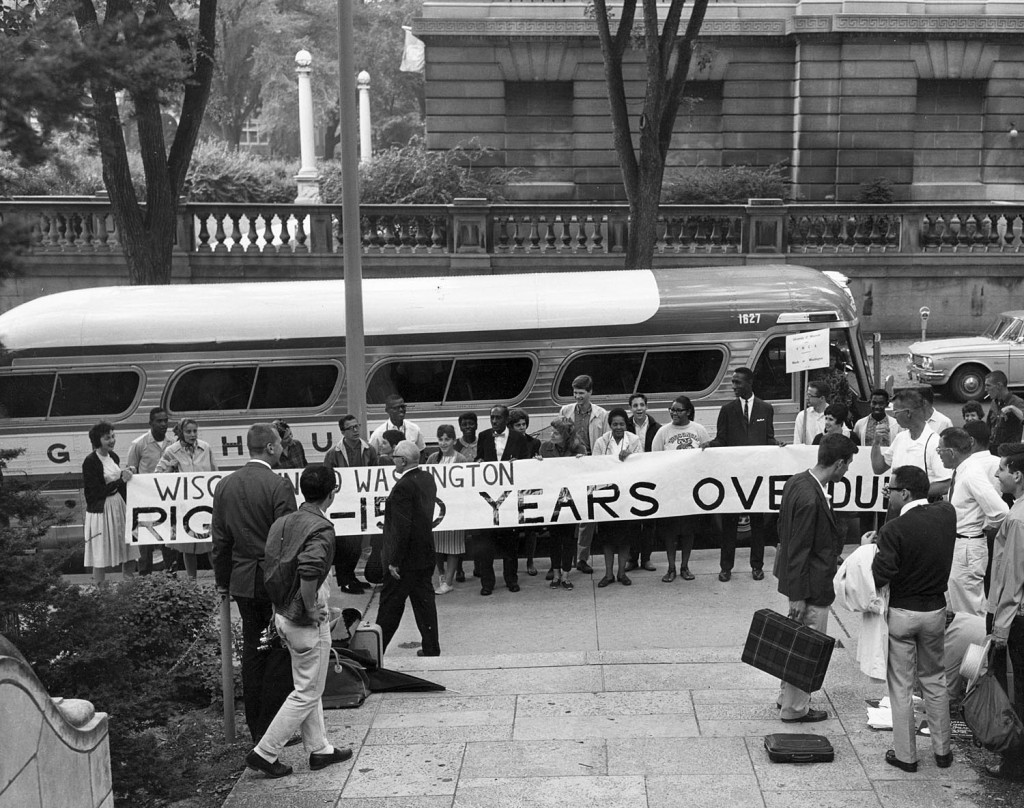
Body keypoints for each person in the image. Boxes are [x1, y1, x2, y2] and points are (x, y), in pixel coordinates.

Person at [245, 464, 353, 779]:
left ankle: (319, 750)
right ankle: (264, 752)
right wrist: (310, 608)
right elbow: (309, 570)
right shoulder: (321, 527)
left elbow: (274, 565)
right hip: (304, 618)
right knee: (306, 691)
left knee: (309, 684)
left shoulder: (283, 521)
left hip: (281, 613)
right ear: (332, 493)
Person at [211, 423, 297, 743]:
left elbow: (219, 541)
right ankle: (274, 730)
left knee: (252, 650)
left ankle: (255, 728)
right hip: (274, 582)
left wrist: (223, 581)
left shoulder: (225, 485)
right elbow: (287, 540)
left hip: (242, 581)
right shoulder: (279, 486)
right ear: (271, 448)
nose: (283, 449)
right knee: (279, 652)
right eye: (280, 444)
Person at [871, 465, 955, 773]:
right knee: (935, 680)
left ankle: (906, 756)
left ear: (904, 492)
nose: (888, 494)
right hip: (935, 610)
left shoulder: (894, 529)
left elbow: (882, 573)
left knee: (902, 687)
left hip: (903, 614)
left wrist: (875, 546)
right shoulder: (947, 514)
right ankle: (943, 751)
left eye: (891, 489)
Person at [774, 432, 858, 723]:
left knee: (795, 643)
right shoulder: (812, 497)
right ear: (837, 463)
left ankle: (787, 697)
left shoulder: (798, 481)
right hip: (811, 586)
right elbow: (799, 548)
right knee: (807, 648)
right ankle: (795, 708)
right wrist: (798, 595)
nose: (847, 470)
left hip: (801, 581)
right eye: (847, 465)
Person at [708, 366, 779, 582]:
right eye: (733, 382)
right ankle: (726, 567)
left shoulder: (766, 409)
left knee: (758, 523)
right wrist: (710, 444)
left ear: (750, 383)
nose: (734, 387)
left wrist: (777, 444)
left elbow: (768, 438)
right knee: (729, 524)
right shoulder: (727, 409)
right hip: (733, 476)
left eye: (738, 382)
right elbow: (722, 439)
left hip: (757, 476)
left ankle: (757, 566)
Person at [378, 440, 441, 657]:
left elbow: (402, 527)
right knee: (425, 604)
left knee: (389, 607)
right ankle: (432, 647)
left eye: (395, 456)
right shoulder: (427, 478)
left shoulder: (403, 486)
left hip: (405, 559)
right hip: (425, 553)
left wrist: (394, 560)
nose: (392, 459)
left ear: (403, 461)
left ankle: (375, 652)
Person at [984, 442, 1024, 782]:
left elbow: (1012, 579)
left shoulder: (1017, 518)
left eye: (1002, 469)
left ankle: (1014, 763)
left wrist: (1001, 627)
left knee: (1016, 693)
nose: (997, 474)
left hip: (1018, 617)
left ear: (1018, 475)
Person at [937, 427, 1006, 616]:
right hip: (960, 543)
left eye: (939, 450)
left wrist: (982, 527)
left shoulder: (971, 474)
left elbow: (1000, 511)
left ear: (951, 452)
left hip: (968, 545)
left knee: (969, 609)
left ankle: (977, 644)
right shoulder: (962, 470)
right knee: (954, 604)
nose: (939, 455)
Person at [474, 405, 532, 595]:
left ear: (506, 419)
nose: (494, 421)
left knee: (510, 543)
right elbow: (478, 459)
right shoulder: (483, 436)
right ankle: (487, 583)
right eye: (492, 418)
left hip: (509, 499)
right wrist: (479, 463)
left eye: (498, 418)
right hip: (488, 498)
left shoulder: (518, 438)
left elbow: (527, 461)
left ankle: (511, 579)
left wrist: (519, 465)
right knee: (485, 543)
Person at [652, 395, 710, 582]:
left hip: (692, 489)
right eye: (672, 409)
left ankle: (685, 566)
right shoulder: (663, 431)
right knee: (670, 532)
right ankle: (670, 568)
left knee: (688, 531)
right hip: (671, 489)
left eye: (678, 410)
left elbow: (706, 456)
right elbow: (654, 459)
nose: (674, 413)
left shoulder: (698, 429)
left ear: (688, 412)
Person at [155, 417, 218, 580]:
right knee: (188, 546)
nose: (192, 434)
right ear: (181, 432)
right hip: (184, 505)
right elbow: (157, 476)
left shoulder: (206, 448)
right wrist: (170, 467)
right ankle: (191, 581)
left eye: (195, 431)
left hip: (204, 503)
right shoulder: (171, 451)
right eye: (188, 431)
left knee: (211, 543)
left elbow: (215, 473)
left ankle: (221, 582)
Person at [559, 374, 608, 575]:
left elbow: (605, 440)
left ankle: (581, 558)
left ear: (590, 392)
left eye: (581, 393)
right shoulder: (566, 410)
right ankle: (564, 560)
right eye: (575, 393)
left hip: (591, 465)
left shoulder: (601, 414)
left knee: (587, 515)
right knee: (567, 511)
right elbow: (560, 436)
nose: (578, 397)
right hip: (570, 465)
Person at [323, 414, 378, 594]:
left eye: (357, 426)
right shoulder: (334, 453)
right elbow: (328, 477)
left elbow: (376, 475)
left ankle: (351, 576)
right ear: (343, 431)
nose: (355, 430)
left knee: (358, 541)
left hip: (362, 501)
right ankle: (344, 580)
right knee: (345, 542)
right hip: (342, 503)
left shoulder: (369, 449)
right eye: (351, 428)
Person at [82, 421, 139, 584]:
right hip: (101, 510)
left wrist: (126, 474)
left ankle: (128, 584)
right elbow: (94, 492)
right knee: (100, 551)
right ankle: (100, 589)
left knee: (128, 546)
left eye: (113, 436)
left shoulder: (113, 456)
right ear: (97, 440)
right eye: (108, 438)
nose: (112, 440)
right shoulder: (90, 461)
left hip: (118, 506)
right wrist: (121, 480)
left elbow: (116, 479)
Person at [870, 388, 951, 500]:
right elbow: (878, 468)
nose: (894, 416)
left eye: (896, 412)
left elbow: (946, 484)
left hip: (922, 511)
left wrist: (911, 495)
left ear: (908, 413)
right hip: (897, 510)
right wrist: (876, 442)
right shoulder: (900, 438)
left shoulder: (933, 442)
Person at [592, 408, 642, 587]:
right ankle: (608, 574)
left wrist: (631, 457)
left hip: (627, 493)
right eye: (615, 424)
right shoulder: (601, 441)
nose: (618, 427)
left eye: (621, 424)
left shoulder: (634, 440)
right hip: (606, 494)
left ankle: (622, 573)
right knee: (607, 538)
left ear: (626, 424)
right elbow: (596, 464)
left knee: (625, 537)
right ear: (610, 425)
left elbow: (641, 462)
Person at [537, 418, 584, 589]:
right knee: (554, 538)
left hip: (571, 499)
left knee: (569, 538)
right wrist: (536, 462)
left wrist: (583, 461)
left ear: (565, 435)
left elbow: (585, 471)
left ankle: (566, 574)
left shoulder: (578, 448)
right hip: (551, 499)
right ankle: (556, 574)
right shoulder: (544, 448)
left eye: (556, 433)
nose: (552, 435)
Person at [126, 407, 172, 575]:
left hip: (166, 497)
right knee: (145, 536)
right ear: (150, 423)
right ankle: (145, 575)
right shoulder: (139, 444)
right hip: (145, 497)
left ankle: (171, 572)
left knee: (168, 535)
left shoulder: (172, 444)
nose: (163, 424)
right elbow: (131, 470)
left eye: (165, 421)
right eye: (159, 421)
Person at [425, 425, 468, 595]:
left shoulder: (461, 459)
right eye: (440, 439)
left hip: (455, 509)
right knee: (435, 545)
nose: (443, 443)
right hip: (436, 509)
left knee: (453, 546)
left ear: (454, 441)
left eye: (447, 439)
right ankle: (441, 574)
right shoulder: (433, 458)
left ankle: (449, 581)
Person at [625, 393, 660, 572]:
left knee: (649, 521)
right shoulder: (625, 427)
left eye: (641, 405)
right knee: (632, 520)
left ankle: (646, 558)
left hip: (649, 476)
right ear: (630, 408)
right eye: (635, 405)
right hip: (631, 476)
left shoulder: (657, 427)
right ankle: (632, 558)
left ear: (646, 406)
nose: (638, 408)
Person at [510, 408, 542, 575]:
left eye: (524, 424)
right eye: (518, 425)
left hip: (529, 489)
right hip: (512, 489)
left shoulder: (534, 443)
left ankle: (530, 561)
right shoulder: (507, 443)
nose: (522, 427)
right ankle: (513, 563)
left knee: (531, 529)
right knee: (513, 531)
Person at [985, 372, 1024, 454]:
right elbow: (988, 426)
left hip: (1009, 453)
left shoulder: (1017, 402)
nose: (985, 389)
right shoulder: (994, 403)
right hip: (993, 450)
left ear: (999, 385)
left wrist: (1012, 408)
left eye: (988, 385)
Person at [793, 380, 830, 445]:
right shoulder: (803, 415)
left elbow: (844, 434)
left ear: (822, 398)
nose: (806, 398)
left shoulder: (834, 414)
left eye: (810, 396)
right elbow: (797, 442)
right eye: (807, 394)